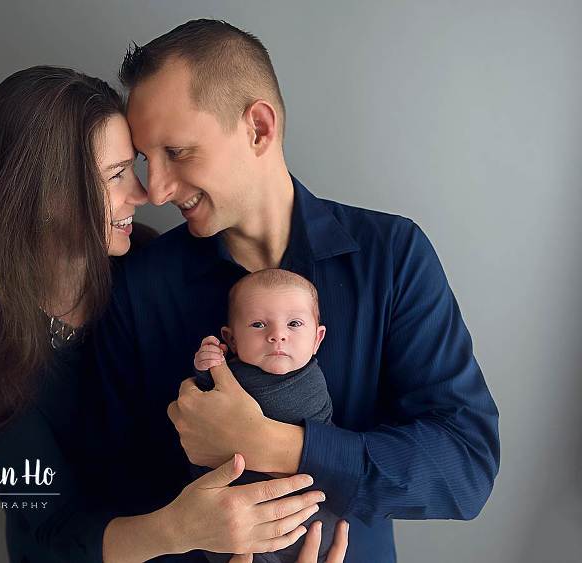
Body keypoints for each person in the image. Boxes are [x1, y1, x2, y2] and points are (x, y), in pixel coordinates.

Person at [94, 19, 500, 563]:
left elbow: (466, 467)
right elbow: (106, 494)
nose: (157, 189)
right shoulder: (139, 289)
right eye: (148, 160)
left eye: (178, 152)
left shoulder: (393, 255)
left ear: (259, 128)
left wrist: (280, 445)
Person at [0, 65, 346, 562]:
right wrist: (178, 530)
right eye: (116, 175)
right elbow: (50, 527)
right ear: (42, 195)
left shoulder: (146, 270)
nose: (145, 194)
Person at [191, 269, 340, 562]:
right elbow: (202, 402)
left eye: (294, 323)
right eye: (258, 324)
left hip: (305, 511)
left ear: (317, 339)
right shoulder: (231, 370)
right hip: (233, 516)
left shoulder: (310, 382)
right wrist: (207, 366)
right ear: (231, 340)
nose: (277, 335)